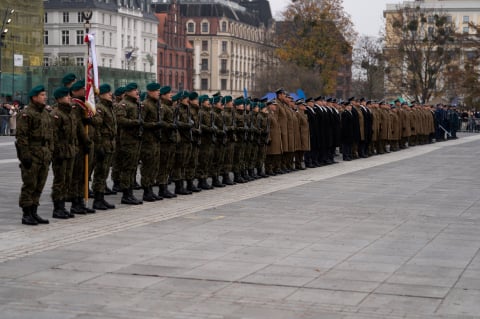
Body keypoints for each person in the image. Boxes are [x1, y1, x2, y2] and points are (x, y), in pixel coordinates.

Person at [15, 85, 53, 225]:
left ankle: (34, 211)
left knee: (40, 184)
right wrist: (25, 156)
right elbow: (22, 137)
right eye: (42, 95)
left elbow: (50, 135)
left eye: (45, 94)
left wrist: (50, 152)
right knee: (30, 184)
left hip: (44, 153)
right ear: (34, 97)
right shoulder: (26, 113)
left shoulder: (45, 113)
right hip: (32, 153)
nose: (45, 97)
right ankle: (26, 213)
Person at [116, 82, 144, 204]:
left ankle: (130, 192)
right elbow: (120, 120)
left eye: (137, 90)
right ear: (127, 92)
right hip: (127, 141)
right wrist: (135, 122)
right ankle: (126, 194)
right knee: (127, 168)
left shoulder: (136, 104)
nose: (136, 92)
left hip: (135, 140)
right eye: (134, 90)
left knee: (132, 167)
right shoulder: (124, 104)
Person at [91, 83, 117, 210]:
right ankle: (97, 199)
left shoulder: (109, 107)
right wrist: (99, 146)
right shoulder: (100, 108)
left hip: (110, 144)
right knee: (100, 173)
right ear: (101, 95)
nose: (110, 94)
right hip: (103, 143)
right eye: (108, 92)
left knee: (105, 172)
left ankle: (101, 198)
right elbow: (97, 127)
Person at [139, 82, 163, 202]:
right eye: (156, 90)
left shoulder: (156, 104)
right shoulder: (146, 104)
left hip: (155, 139)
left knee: (154, 166)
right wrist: (155, 125)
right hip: (148, 140)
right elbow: (141, 122)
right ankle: (146, 191)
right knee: (147, 166)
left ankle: (150, 189)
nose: (159, 92)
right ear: (150, 92)